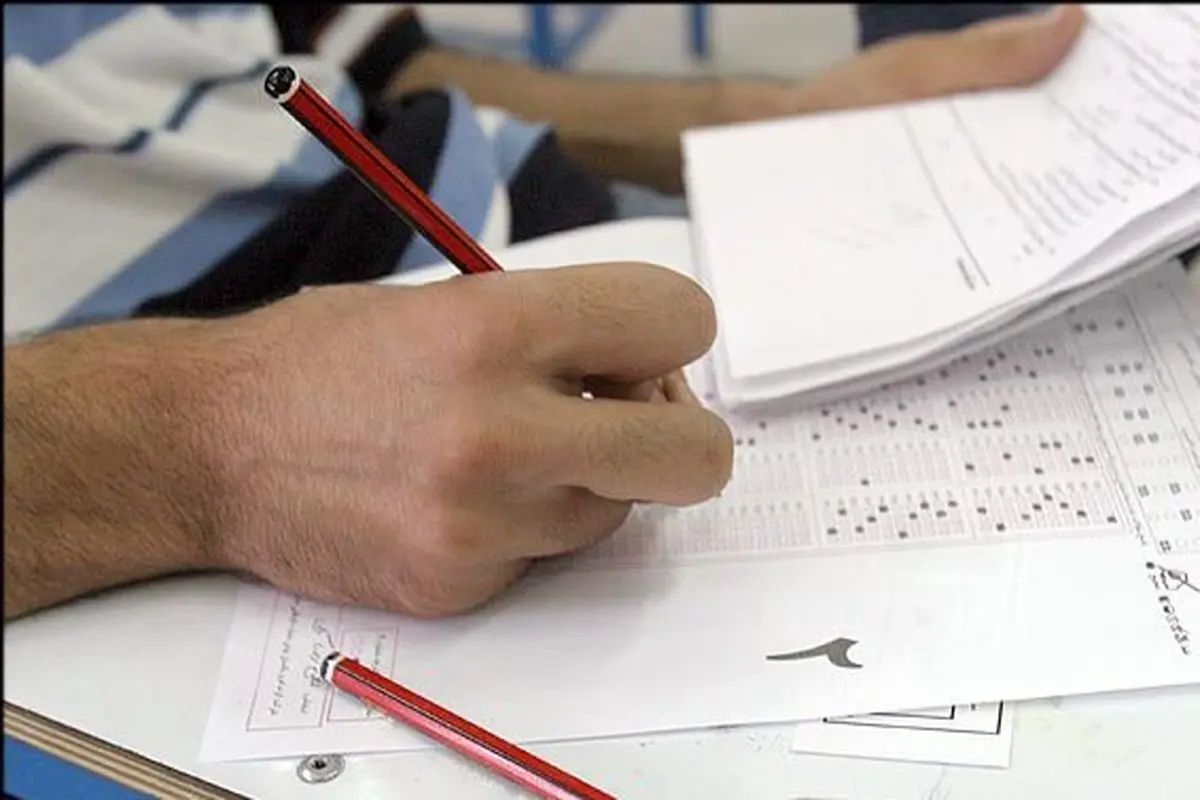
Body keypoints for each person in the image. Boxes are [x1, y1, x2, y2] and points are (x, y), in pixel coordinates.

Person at [3, 4, 1086, 622]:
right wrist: (214, 437)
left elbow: (353, 64)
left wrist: (767, 123)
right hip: (217, 533)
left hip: (569, 228)